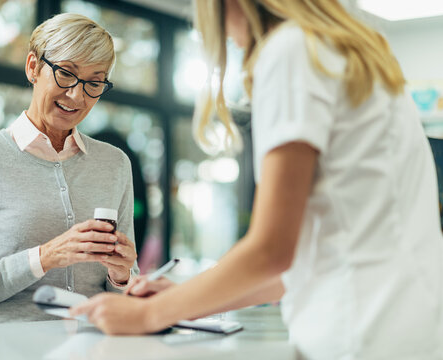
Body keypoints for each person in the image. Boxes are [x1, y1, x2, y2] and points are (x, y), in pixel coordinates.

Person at [70, 0, 443, 358]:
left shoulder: (292, 51)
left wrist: (149, 315)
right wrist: (183, 298)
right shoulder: (359, 56)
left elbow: (271, 250)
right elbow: (300, 262)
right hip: (409, 329)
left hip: (354, 335)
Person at [0, 13, 138, 325]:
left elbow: (121, 290)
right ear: (33, 67)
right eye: (66, 74)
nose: (77, 95)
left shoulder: (115, 164)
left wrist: (122, 276)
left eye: (94, 83)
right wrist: (43, 257)